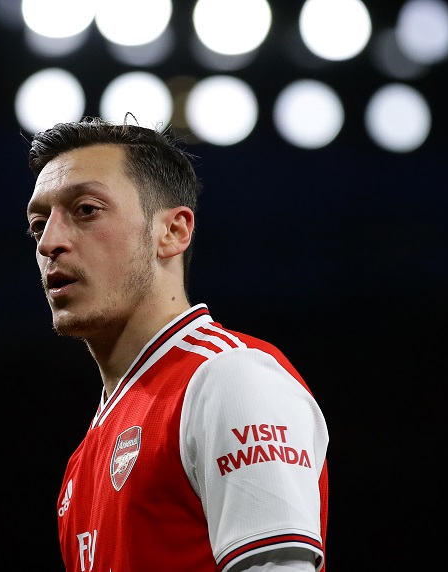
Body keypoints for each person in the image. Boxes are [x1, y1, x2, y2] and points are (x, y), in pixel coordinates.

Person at [25, 116, 329, 572]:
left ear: (173, 232)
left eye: (86, 210)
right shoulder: (83, 458)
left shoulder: (229, 377)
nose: (49, 242)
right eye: (38, 224)